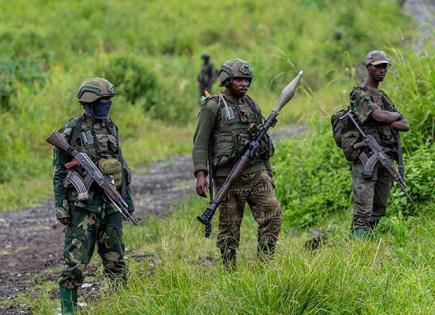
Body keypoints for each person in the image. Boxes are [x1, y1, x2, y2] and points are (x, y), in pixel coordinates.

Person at [52, 78, 135, 313]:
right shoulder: (71, 130)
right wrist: (62, 208)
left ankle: (122, 306)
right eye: (103, 100)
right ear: (89, 102)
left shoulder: (111, 128)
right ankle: (68, 310)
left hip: (111, 205)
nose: (107, 104)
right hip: (82, 207)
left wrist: (127, 200)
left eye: (109, 100)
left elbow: (121, 165)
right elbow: (59, 173)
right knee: (75, 263)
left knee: (116, 260)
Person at [192, 59, 281, 269]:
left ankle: (264, 264)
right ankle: (229, 270)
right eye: (239, 79)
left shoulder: (251, 104)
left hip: (256, 172)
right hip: (227, 177)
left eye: (247, 80)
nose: (244, 84)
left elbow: (261, 140)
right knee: (229, 228)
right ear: (227, 80)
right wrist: (200, 174)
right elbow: (200, 142)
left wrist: (268, 172)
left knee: (273, 213)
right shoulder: (213, 106)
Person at [348, 50, 409, 239]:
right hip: (366, 157)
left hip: (385, 157)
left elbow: (405, 125)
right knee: (363, 209)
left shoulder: (383, 97)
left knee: (379, 206)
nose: (382, 70)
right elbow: (378, 116)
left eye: (385, 66)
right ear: (368, 68)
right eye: (378, 66)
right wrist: (391, 117)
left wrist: (389, 118)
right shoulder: (358, 94)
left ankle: (369, 243)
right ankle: (357, 248)